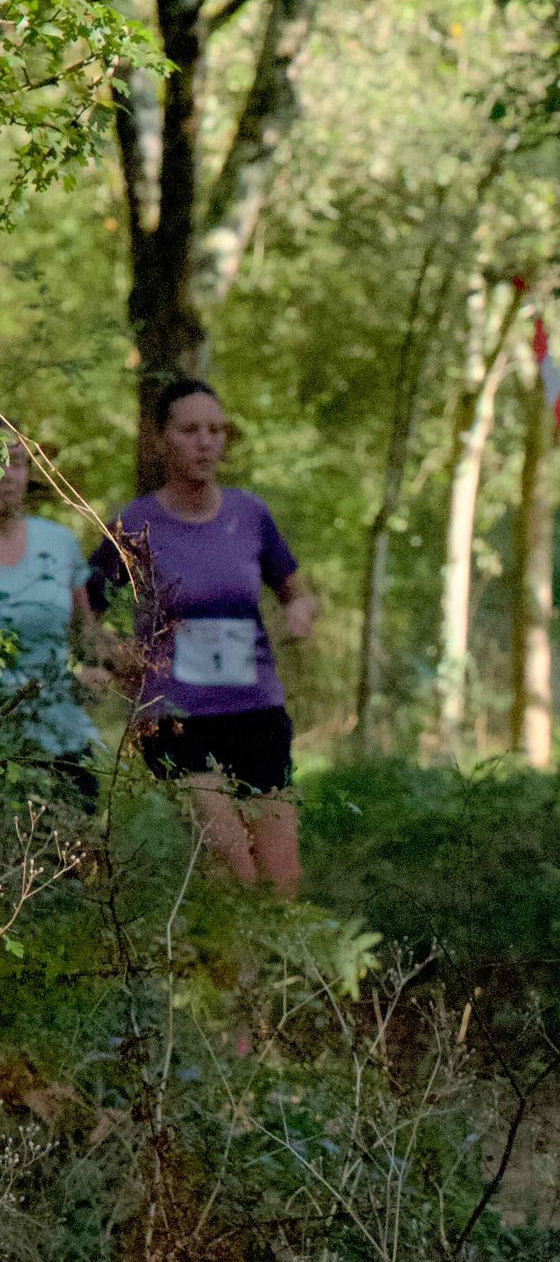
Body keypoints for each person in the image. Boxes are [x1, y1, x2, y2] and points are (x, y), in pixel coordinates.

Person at [86, 380, 319, 895]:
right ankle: (215, 951)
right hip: (177, 718)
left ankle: (264, 954)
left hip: (256, 709)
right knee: (231, 865)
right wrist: (113, 655)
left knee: (282, 878)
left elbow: (296, 592)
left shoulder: (250, 515)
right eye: (190, 430)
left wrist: (300, 615)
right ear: (160, 441)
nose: (206, 442)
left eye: (215, 431)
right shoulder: (134, 523)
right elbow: (86, 613)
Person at [0, 424, 105, 808]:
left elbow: (86, 632)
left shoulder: (59, 543)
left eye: (16, 463)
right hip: (4, 745)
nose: (7, 475)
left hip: (62, 738)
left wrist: (98, 670)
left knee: (76, 844)